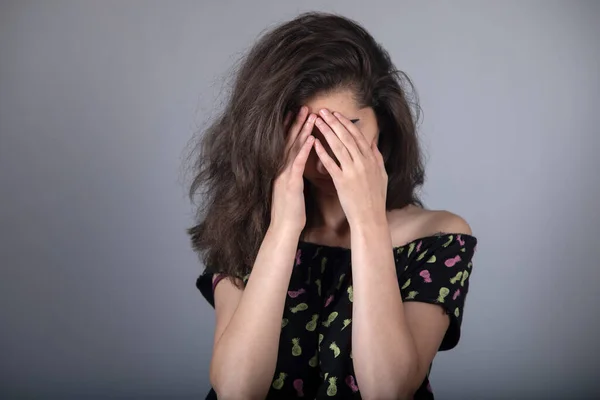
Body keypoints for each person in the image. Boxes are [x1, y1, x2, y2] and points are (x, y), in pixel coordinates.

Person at [188, 11, 477, 400]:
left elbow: (388, 390)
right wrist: (283, 229)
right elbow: (237, 390)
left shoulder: (438, 237)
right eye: (309, 138)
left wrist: (368, 221)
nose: (325, 162)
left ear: (383, 123)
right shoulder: (245, 227)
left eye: (345, 132)